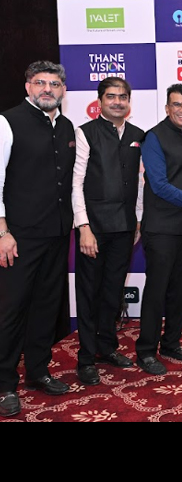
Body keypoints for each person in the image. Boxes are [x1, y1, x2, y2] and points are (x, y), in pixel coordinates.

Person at [0, 61, 75, 419]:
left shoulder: (66, 126)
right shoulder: (7, 122)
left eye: (55, 84)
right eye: (41, 82)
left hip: (57, 234)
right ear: (28, 86)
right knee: (11, 310)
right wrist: (2, 231)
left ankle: (37, 371)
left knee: (46, 306)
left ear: (63, 90)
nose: (48, 89)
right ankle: (4, 384)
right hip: (19, 236)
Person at [71, 77, 145, 386]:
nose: (117, 102)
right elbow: (76, 183)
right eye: (111, 96)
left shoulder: (138, 135)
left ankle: (107, 347)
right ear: (100, 101)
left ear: (129, 101)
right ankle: (86, 358)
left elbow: (140, 182)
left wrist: (138, 220)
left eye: (122, 97)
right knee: (89, 292)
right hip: (95, 228)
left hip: (125, 227)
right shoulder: (85, 132)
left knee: (113, 291)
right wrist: (83, 227)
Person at [135, 84, 182, 376]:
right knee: (157, 291)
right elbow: (159, 185)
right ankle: (146, 351)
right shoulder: (153, 137)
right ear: (167, 108)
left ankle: (171, 343)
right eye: (177, 104)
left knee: (180, 290)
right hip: (161, 228)